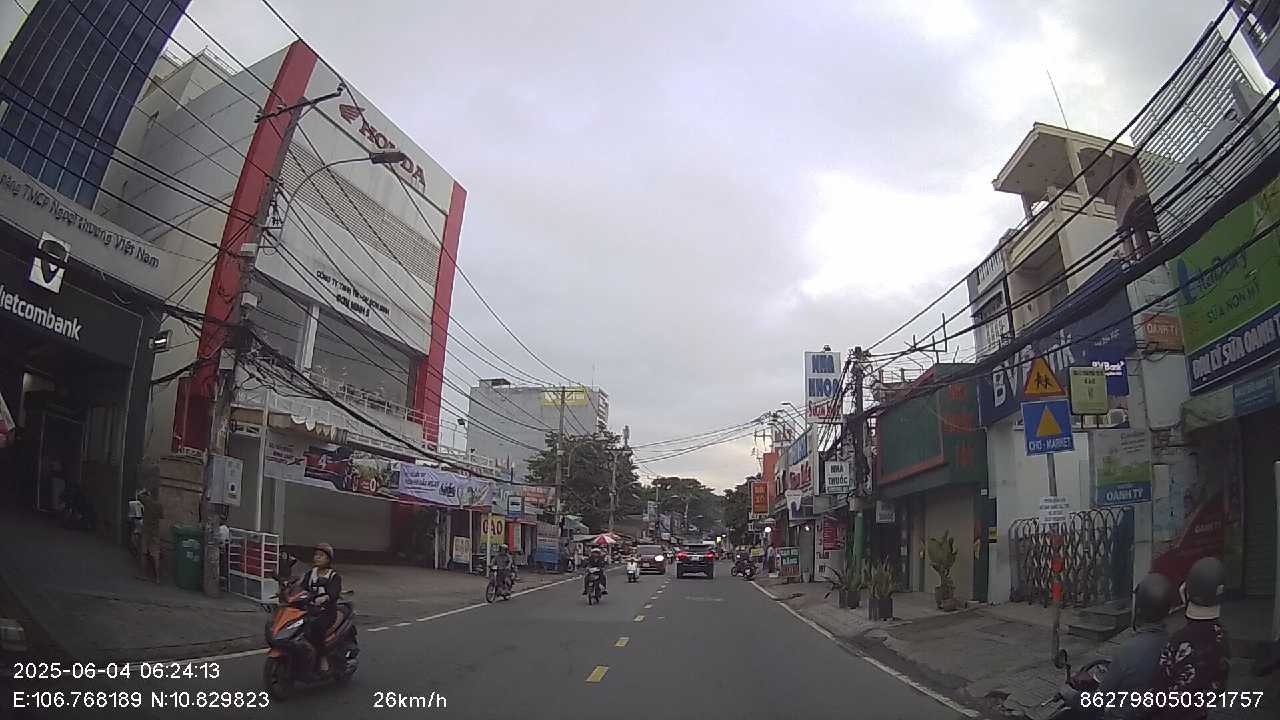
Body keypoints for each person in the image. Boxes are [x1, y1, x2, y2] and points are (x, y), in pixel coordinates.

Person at [1075, 572, 1176, 719]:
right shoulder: (1174, 643)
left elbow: (1100, 699)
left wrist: (1071, 696)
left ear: (1139, 608)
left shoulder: (1129, 650)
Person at [1152, 557, 1229, 720]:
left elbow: (1159, 687)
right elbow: (1220, 687)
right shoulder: (1221, 636)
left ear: (1187, 591)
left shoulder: (1179, 641)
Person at [301, 543, 343, 675]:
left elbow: (334, 592)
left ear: (328, 559)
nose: (317, 558)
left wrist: (326, 597)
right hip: (309, 609)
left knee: (316, 627)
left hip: (326, 612)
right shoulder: (310, 573)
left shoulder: (333, 576)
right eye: (316, 555)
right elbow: (301, 588)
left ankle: (322, 657)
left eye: (321, 556)